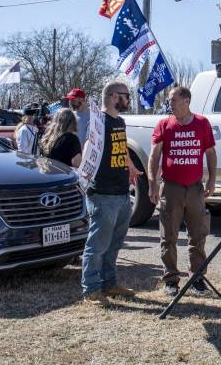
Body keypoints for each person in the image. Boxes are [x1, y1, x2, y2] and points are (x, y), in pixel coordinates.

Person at [148, 86, 217, 297]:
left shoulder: (202, 123)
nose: (169, 104)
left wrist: (212, 180)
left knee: (198, 235)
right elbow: (154, 156)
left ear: (186, 101)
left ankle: (197, 279)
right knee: (168, 236)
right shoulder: (164, 124)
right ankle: (171, 280)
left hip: (195, 189)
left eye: (173, 100)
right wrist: (152, 183)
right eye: (170, 101)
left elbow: (210, 153)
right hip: (171, 188)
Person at [81, 81, 142, 306]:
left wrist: (131, 167)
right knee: (97, 244)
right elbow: (90, 145)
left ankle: (109, 282)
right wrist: (84, 173)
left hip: (121, 192)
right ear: (114, 96)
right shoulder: (98, 121)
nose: (128, 99)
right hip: (103, 193)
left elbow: (121, 145)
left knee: (115, 242)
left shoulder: (120, 121)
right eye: (126, 95)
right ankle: (91, 289)